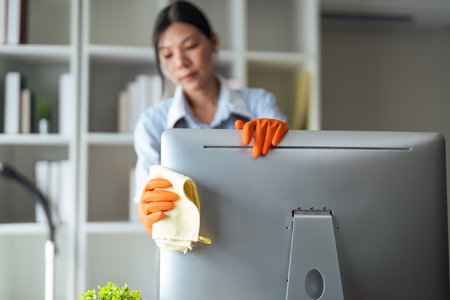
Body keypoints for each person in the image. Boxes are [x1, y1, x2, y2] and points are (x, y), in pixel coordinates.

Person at [134, 1, 289, 234]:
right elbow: (149, 200)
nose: (180, 63)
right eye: (167, 55)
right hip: (187, 246)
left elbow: (290, 181)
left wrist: (287, 147)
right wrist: (149, 212)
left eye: (191, 46)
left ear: (213, 42)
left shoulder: (260, 104)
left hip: (261, 232)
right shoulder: (152, 124)